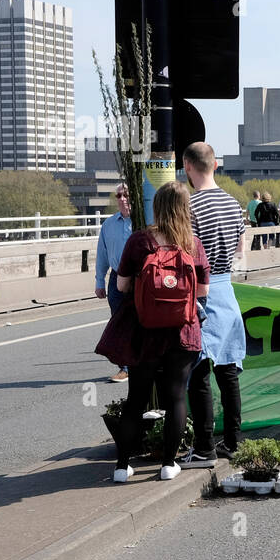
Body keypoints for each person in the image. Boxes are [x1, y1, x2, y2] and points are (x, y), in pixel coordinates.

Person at [106, 181, 209, 482]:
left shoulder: (140, 241)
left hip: (145, 331)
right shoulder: (193, 243)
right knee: (176, 396)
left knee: (136, 398)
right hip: (183, 331)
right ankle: (167, 464)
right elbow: (202, 292)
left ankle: (122, 467)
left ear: (157, 207)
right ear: (184, 209)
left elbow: (122, 285)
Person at [181, 143, 247, 464]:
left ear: (187, 166)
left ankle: (205, 446)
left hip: (202, 293)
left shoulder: (190, 207)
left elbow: (188, 254)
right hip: (227, 290)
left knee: (199, 373)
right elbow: (239, 252)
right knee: (228, 372)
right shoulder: (234, 204)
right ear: (215, 165)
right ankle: (234, 441)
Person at [94, 183, 134, 382]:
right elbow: (102, 255)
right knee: (119, 323)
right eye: (119, 196)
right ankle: (125, 367)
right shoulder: (108, 225)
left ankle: (143, 363)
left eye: (126, 195)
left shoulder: (144, 221)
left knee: (142, 321)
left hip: (140, 279)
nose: (122, 199)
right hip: (117, 278)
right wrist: (99, 281)